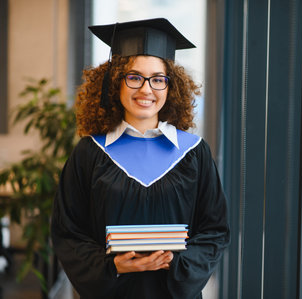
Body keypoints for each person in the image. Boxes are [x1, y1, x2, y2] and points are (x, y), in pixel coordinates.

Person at [51, 18, 230, 299]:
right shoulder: (89, 153)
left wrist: (177, 264)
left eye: (158, 79)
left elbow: (214, 230)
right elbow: (68, 232)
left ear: (171, 87)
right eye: (134, 77)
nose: (146, 90)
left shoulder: (195, 152)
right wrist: (113, 267)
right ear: (115, 83)